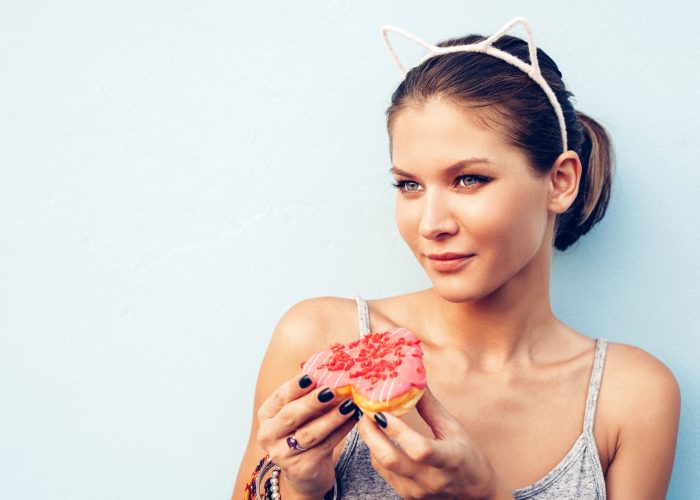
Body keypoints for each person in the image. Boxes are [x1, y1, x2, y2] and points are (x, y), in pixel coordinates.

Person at [234, 18, 680, 499]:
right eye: (409, 185)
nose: (431, 224)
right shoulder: (322, 338)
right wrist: (301, 486)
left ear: (559, 182)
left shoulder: (630, 397)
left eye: (469, 179)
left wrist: (485, 495)